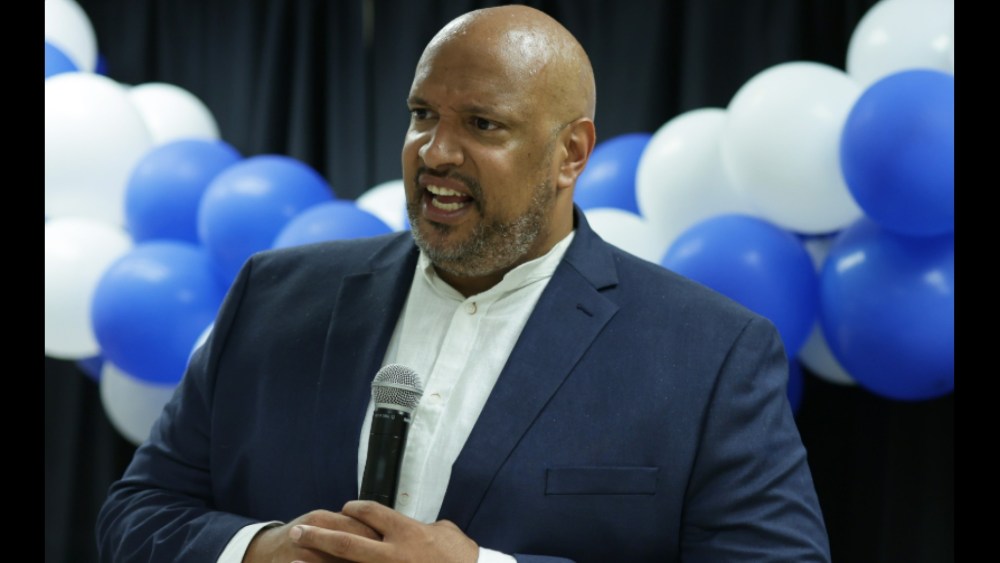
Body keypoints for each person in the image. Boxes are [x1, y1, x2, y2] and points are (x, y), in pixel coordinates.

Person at [96, 5, 831, 562]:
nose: (436, 151)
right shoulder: (274, 296)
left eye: (482, 124)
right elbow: (137, 513)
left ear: (570, 153)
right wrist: (260, 550)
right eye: (422, 115)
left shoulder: (709, 353)